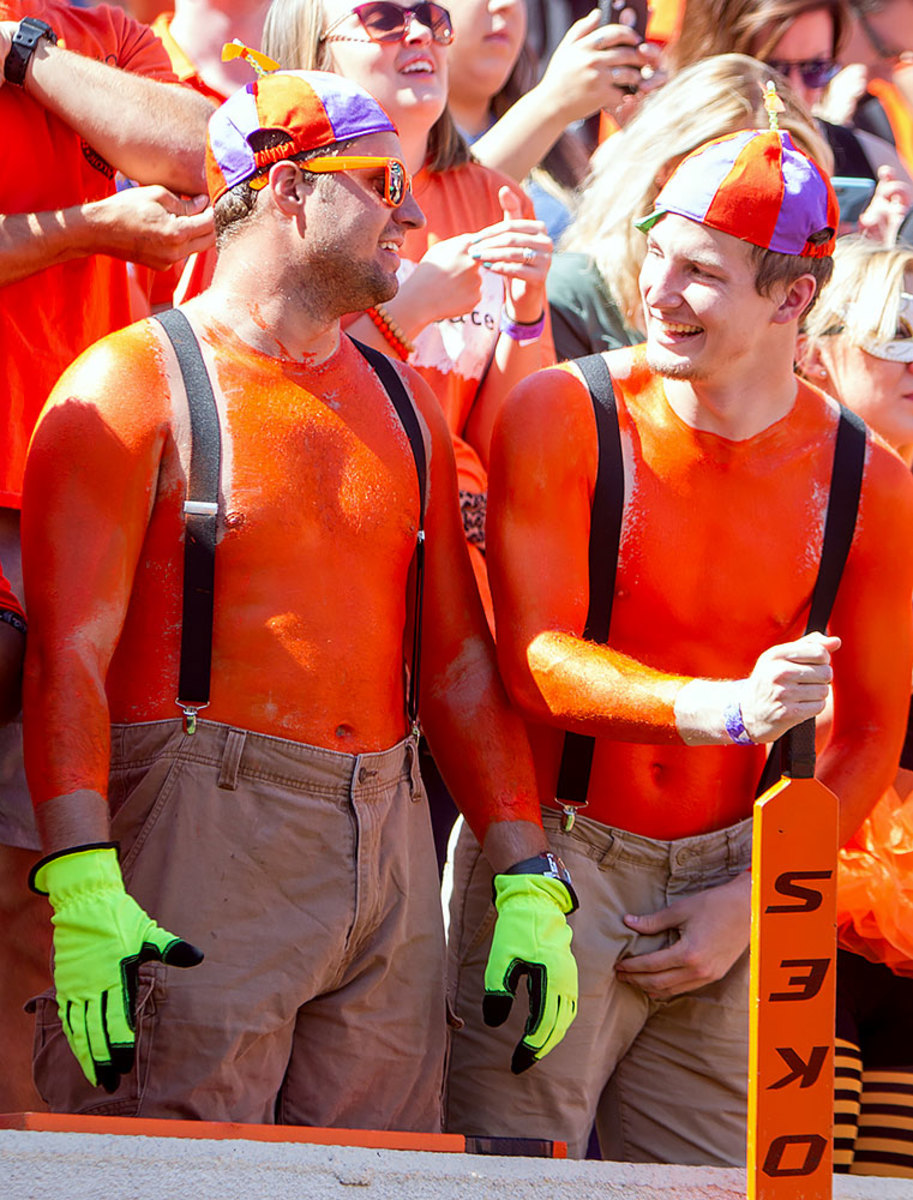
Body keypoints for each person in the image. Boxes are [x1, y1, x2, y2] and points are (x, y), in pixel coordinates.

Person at [21, 69, 577, 1127]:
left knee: (377, 1178)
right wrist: (84, 877)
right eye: (385, 184)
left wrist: (524, 868)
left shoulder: (404, 399)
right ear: (286, 188)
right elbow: (67, 657)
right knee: (169, 1174)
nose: (412, 216)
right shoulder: (130, 385)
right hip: (196, 842)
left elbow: (456, 661)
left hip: (389, 845)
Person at [445, 125, 913, 1164]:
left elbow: (870, 733)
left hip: (734, 873)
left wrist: (756, 898)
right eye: (654, 252)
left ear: (793, 299)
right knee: (506, 1176)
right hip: (557, 855)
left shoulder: (868, 479)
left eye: (700, 272)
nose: (657, 290)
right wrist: (722, 708)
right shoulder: (565, 410)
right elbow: (534, 661)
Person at [0, 0, 214, 1113]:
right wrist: (86, 227)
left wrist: (21, 50)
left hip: (72, 492)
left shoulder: (97, 30)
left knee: (35, 866)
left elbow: (200, 155)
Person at [799, 237, 913, 1177]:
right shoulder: (791, 487)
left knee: (893, 1166)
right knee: (813, 1157)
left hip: (901, 854)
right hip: (804, 847)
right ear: (818, 347)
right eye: (896, 335)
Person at [548, 53, 831, 359]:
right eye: (725, 175)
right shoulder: (570, 296)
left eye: (781, 191)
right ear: (665, 170)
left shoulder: (804, 306)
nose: (751, 210)